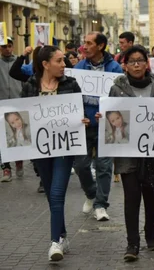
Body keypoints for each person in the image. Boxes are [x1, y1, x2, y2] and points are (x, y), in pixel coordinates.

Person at [97, 45, 154, 261]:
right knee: (131, 197)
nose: (137, 64)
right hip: (126, 151)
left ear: (147, 63)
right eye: (132, 61)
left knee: (151, 195)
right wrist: (103, 120)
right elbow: (111, 115)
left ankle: (150, 236)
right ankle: (132, 244)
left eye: (140, 60)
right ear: (125, 65)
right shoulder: (117, 88)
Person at [21, 45, 90, 261]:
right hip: (41, 149)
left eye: (64, 60)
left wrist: (84, 121)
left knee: (58, 192)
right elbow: (23, 115)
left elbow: (80, 110)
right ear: (45, 64)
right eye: (59, 61)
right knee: (51, 194)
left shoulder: (70, 84)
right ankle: (62, 235)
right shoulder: (31, 85)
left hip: (64, 146)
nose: (64, 65)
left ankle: (54, 243)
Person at [73, 32, 123, 221]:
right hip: (84, 125)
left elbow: (120, 96)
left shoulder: (115, 68)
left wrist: (108, 112)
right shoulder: (79, 67)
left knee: (104, 166)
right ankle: (91, 194)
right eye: (84, 43)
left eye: (88, 43)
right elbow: (72, 96)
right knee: (81, 165)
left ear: (100, 46)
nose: (84, 46)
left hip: (105, 125)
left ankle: (101, 204)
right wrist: (80, 115)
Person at [0, 37, 25, 183]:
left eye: (9, 46)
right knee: (2, 137)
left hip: (18, 103)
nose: (7, 49)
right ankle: (6, 168)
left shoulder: (19, 63)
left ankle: (19, 160)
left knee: (17, 136)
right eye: (4, 47)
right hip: (1, 104)